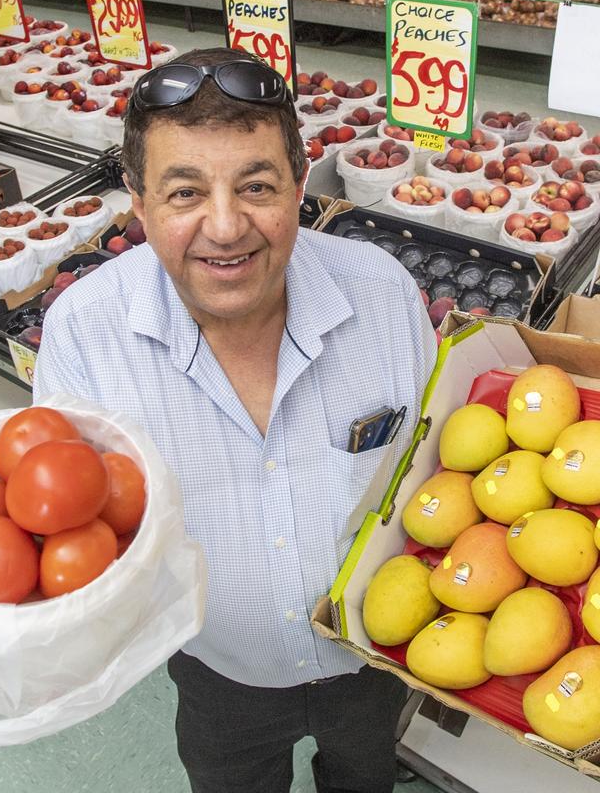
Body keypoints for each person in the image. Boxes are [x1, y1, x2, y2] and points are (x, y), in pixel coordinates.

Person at [34, 47, 437, 793]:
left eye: (256, 186)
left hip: (375, 658)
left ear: (299, 182)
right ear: (138, 199)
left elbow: (433, 464)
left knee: (364, 778)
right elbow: (69, 531)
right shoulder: (85, 337)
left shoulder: (383, 295)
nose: (226, 227)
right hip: (218, 672)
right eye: (184, 193)